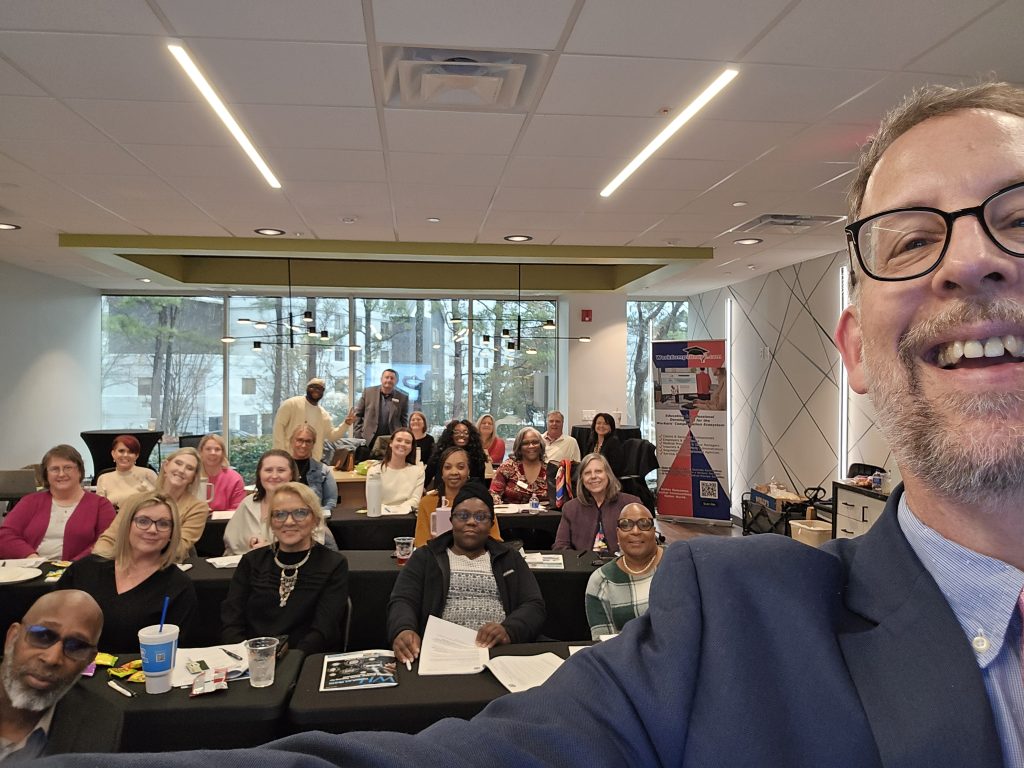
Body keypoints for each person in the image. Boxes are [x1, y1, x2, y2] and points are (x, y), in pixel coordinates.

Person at [31, 81, 1024, 768]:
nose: (970, 262)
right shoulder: (737, 623)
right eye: (911, 240)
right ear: (855, 350)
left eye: (1018, 218)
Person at [389, 484, 544, 666]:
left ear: (491, 524)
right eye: (463, 516)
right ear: (451, 520)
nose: (471, 522)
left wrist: (508, 630)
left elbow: (533, 605)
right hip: (440, 654)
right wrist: (403, 629)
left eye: (480, 517)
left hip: (498, 654)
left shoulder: (509, 558)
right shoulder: (426, 557)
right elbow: (403, 600)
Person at [56, 493, 197, 653]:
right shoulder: (84, 569)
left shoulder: (179, 587)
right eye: (143, 521)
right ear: (127, 525)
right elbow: (52, 622)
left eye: (163, 524)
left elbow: (178, 652)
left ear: (171, 533)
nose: (152, 530)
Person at [221, 482, 349, 654]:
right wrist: (246, 656)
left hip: (305, 660)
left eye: (300, 513)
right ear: (271, 522)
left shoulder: (333, 564)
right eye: (279, 514)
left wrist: (290, 660)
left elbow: (323, 630)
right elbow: (232, 622)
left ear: (315, 519)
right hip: (250, 659)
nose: (289, 522)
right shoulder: (251, 561)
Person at [0, 591, 121, 760]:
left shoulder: (99, 722)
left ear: (88, 660)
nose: (52, 659)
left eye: (76, 646)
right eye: (42, 635)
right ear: (13, 637)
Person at [92, 448, 209, 563]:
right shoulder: (135, 500)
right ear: (166, 466)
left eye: (189, 468)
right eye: (178, 463)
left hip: (169, 565)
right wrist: (99, 562)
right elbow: (109, 538)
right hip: (126, 564)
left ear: (193, 477)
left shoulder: (197, 508)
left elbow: (179, 548)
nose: (182, 470)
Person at [0, 445, 115, 562]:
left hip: (81, 569)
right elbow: (5, 535)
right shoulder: (30, 502)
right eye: (55, 469)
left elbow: (108, 542)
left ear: (80, 471)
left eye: (68, 468)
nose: (61, 474)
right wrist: (32, 557)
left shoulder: (101, 505)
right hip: (31, 568)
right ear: (46, 474)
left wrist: (73, 566)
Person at [584, 503, 663, 639]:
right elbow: (603, 642)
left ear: (654, 531)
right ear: (618, 533)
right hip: (627, 652)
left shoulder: (678, 563)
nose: (635, 531)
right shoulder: (601, 581)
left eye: (644, 524)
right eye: (626, 525)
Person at [553, 453, 641, 554]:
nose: (593, 476)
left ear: (608, 474)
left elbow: (643, 541)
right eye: (587, 473)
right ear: (582, 479)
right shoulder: (570, 508)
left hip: (622, 562)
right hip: (582, 563)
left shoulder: (631, 504)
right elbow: (560, 546)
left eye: (598, 471)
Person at [414, 447, 500, 547]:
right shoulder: (427, 502)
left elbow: (495, 541)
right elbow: (421, 544)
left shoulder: (481, 501)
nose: (454, 472)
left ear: (468, 471)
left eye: (460, 467)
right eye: (447, 467)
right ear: (442, 472)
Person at [223, 449, 296, 556]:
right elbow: (231, 543)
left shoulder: (303, 505)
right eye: (268, 470)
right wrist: (249, 543)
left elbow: (314, 544)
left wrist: (272, 548)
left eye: (281, 470)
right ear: (259, 474)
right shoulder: (248, 503)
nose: (274, 476)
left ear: (291, 475)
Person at [272, 378, 346, 462]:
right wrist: (281, 454)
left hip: (312, 462)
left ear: (323, 392)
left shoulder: (323, 414)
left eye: (319, 388)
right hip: (289, 459)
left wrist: (346, 424)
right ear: (307, 388)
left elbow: (332, 437)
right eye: (312, 387)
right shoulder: (291, 404)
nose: (316, 390)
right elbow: (278, 427)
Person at [344, 369, 409, 450]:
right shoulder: (368, 392)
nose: (389, 380)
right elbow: (357, 415)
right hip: (367, 440)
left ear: (396, 381)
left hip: (391, 440)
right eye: (386, 377)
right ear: (381, 379)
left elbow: (404, 421)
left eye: (392, 378)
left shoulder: (402, 397)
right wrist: (358, 435)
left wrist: (402, 438)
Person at [366, 429, 424, 514]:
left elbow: (415, 501)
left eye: (407, 442)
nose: (402, 444)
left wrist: (397, 510)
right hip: (380, 516)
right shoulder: (374, 471)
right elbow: (373, 502)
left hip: (407, 517)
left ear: (411, 447)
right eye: (399, 440)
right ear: (391, 443)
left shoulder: (418, 472)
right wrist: (390, 511)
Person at [95, 435, 158, 508]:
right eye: (121, 451)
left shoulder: (148, 474)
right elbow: (100, 509)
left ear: (137, 455)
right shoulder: (103, 479)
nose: (125, 455)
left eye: (131, 452)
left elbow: (160, 501)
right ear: (113, 454)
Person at [423, 419, 489, 489]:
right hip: (442, 494)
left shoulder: (477, 457)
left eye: (466, 433)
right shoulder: (438, 455)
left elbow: (481, 484)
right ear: (450, 435)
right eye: (457, 432)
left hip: (470, 494)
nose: (461, 435)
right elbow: (425, 479)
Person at [489, 427, 548, 505]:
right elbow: (493, 493)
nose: (531, 446)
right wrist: (497, 501)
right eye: (525, 443)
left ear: (541, 445)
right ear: (519, 447)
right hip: (510, 512)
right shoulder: (507, 467)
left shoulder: (550, 470)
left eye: (535, 442)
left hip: (544, 512)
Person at [287, 425, 338, 510]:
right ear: (292, 441)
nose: (303, 445)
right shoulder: (281, 469)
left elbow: (331, 501)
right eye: (299, 440)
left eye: (308, 441)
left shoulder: (323, 470)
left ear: (313, 444)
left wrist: (316, 514)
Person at [197, 434, 245, 512]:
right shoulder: (192, 476)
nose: (213, 453)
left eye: (217, 449)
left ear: (223, 453)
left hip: (226, 520)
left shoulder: (235, 479)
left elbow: (238, 511)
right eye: (208, 449)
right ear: (201, 452)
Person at [583, 412, 625, 478]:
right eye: (598, 423)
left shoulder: (614, 443)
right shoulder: (592, 442)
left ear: (611, 427)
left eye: (605, 424)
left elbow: (615, 468)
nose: (601, 426)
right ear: (594, 426)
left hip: (608, 478)